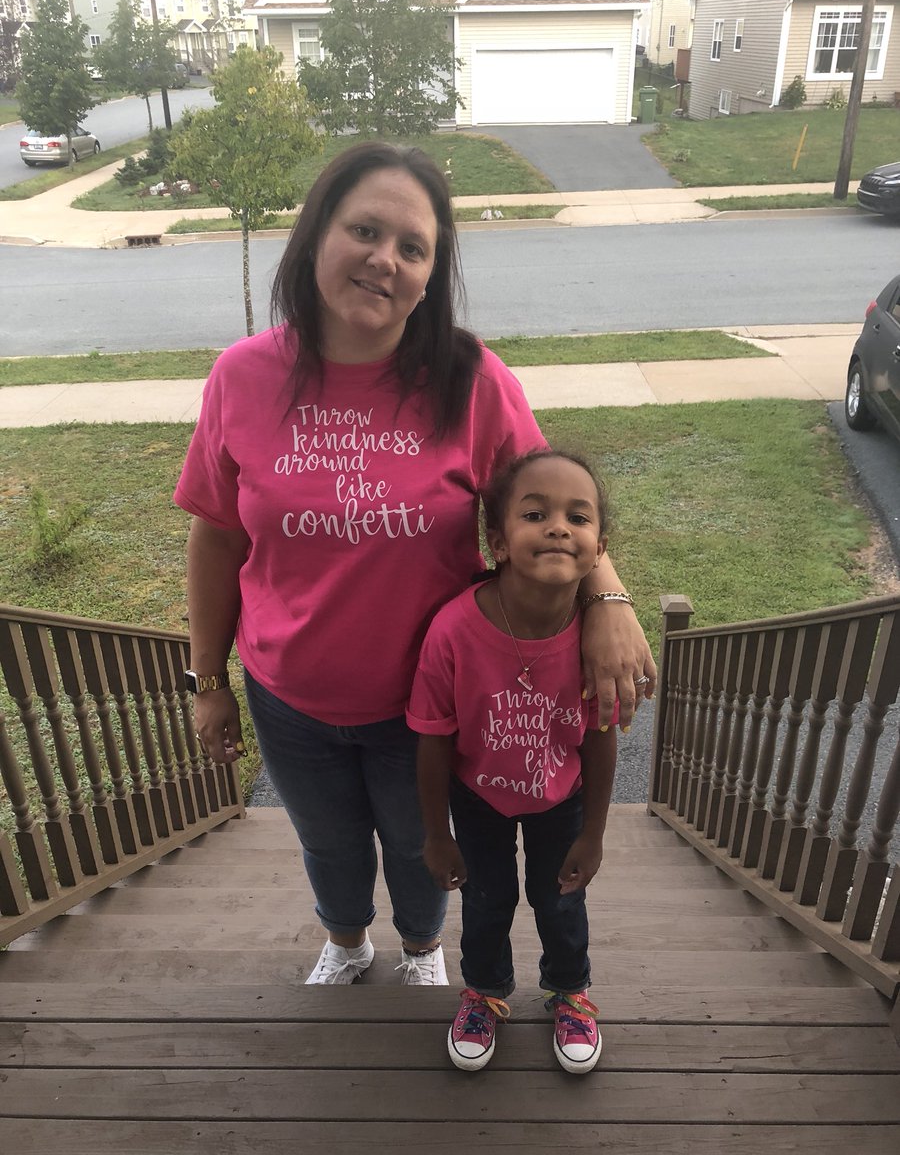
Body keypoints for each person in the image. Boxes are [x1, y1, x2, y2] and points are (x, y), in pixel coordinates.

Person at [173, 141, 654, 990]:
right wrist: (207, 678)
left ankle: (425, 950)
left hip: (426, 706)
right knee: (325, 842)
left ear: (431, 275)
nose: (382, 259)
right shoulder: (241, 377)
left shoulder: (471, 380)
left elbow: (551, 507)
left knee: (419, 843)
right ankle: (349, 940)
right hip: (288, 696)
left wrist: (608, 597)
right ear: (317, 233)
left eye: (413, 247)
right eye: (364, 229)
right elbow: (217, 534)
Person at [409, 451, 619, 1074]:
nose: (558, 526)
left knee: (560, 903)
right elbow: (432, 738)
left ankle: (569, 992)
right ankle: (485, 992)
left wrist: (594, 831)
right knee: (487, 902)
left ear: (598, 545)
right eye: (535, 514)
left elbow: (601, 736)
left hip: (563, 798)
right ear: (497, 541)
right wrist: (436, 836)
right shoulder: (453, 633)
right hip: (479, 800)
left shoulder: (595, 637)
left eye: (577, 517)